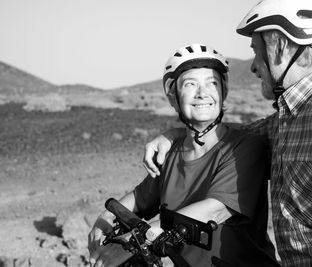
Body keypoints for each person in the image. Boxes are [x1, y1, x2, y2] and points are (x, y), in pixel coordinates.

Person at [142, 0, 312, 266]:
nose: (253, 66)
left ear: (279, 46)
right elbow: (228, 136)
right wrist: (174, 134)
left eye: (256, 50)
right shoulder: (288, 119)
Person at [88, 43, 279, 267]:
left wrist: (133, 242)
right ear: (173, 98)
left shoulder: (245, 147)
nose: (202, 93)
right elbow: (140, 198)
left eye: (212, 83)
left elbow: (214, 210)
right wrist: (105, 218)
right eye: (190, 84)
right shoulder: (171, 152)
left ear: (223, 92)